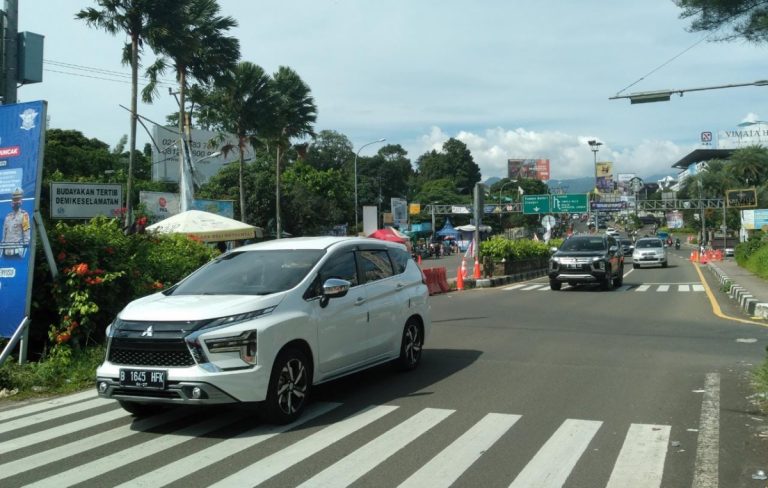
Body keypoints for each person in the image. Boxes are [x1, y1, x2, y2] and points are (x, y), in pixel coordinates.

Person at [2, 188, 31, 258]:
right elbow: (4, 236)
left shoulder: (24, 215)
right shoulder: (8, 217)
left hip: (17, 252)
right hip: (6, 252)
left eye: (17, 200)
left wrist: (24, 252)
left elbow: (26, 235)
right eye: (14, 200)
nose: (15, 202)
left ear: (21, 201)